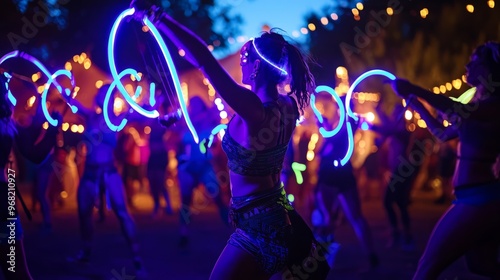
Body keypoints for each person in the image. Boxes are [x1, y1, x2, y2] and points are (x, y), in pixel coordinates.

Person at [131, 1, 330, 278]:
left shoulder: (253, 109)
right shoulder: (286, 106)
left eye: (245, 57)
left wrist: (159, 17)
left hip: (258, 229)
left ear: (258, 66)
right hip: (277, 218)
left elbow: (203, 60)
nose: (240, 61)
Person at [390, 41, 500, 279]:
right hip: (478, 198)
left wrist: (414, 89)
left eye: (474, 61)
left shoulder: (494, 107)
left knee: (425, 269)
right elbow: (442, 132)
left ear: (489, 70)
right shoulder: (478, 107)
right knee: (481, 266)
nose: (467, 65)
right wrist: (418, 106)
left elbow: (455, 109)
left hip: (477, 201)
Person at [65, 85, 144, 277]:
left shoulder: (118, 119)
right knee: (83, 213)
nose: (101, 95)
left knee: (122, 213)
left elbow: (142, 114)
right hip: (90, 172)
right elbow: (72, 103)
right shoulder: (90, 117)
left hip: (109, 171)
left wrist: (153, 105)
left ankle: (136, 258)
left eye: (106, 92)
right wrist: (66, 91)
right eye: (100, 92)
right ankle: (85, 251)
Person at [0, 71, 60, 279]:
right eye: (4, 87)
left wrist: (54, 128)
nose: (8, 93)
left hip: (4, 197)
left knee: (15, 269)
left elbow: (33, 154)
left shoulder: (8, 123)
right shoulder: (7, 124)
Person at [313, 107, 379, 268]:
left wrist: (324, 128)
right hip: (341, 173)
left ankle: (324, 257)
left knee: (332, 217)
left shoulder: (348, 124)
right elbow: (327, 146)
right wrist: (325, 127)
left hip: (331, 174)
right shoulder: (344, 124)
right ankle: (368, 255)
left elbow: (330, 145)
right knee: (349, 217)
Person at [174, 96, 229, 247]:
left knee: (217, 197)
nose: (193, 107)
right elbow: (177, 143)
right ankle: (183, 232)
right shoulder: (185, 123)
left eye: (196, 104)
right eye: (192, 105)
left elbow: (216, 143)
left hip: (205, 166)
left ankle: (232, 230)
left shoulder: (210, 122)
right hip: (188, 167)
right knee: (185, 201)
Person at [369, 103, 420, 251]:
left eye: (396, 113)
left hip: (402, 171)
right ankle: (403, 235)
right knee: (398, 203)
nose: (393, 116)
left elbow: (386, 128)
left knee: (392, 202)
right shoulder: (392, 132)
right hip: (397, 171)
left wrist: (371, 123)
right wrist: (378, 110)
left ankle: (401, 235)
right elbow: (381, 137)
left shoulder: (404, 132)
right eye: (393, 113)